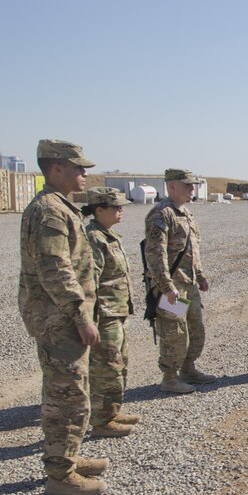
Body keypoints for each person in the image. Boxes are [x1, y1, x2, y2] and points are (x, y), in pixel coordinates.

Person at [18, 140, 108, 495]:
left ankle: (67, 456)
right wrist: (80, 315)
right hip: (60, 319)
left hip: (62, 317)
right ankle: (60, 473)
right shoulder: (50, 212)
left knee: (72, 391)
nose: (84, 174)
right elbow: (56, 270)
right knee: (66, 397)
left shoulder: (59, 207)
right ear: (56, 169)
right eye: (78, 168)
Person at [143, 169, 217, 394]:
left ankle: (188, 368)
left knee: (195, 329)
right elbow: (155, 255)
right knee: (174, 332)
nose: (192, 189)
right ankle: (169, 377)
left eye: (193, 185)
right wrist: (166, 287)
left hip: (189, 284)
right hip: (172, 288)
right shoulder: (161, 214)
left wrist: (201, 275)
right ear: (172, 186)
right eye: (187, 185)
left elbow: (194, 250)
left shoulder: (187, 214)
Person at [82, 187, 140, 437]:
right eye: (116, 207)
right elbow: (89, 281)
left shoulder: (109, 236)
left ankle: (112, 412)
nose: (120, 211)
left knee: (120, 364)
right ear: (99, 210)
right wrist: (88, 318)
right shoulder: (94, 238)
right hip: (104, 315)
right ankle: (101, 420)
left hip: (117, 312)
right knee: (107, 369)